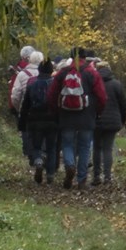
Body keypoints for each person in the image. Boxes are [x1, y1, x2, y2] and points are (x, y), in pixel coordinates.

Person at [47, 46, 108, 190]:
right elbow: (102, 97)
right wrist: (97, 112)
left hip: (66, 116)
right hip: (87, 116)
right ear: (84, 57)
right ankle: (81, 180)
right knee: (85, 147)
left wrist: (56, 112)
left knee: (67, 144)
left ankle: (69, 165)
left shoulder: (62, 73)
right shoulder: (91, 73)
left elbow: (51, 95)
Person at [19, 55, 60, 185]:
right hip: (52, 120)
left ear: (40, 70)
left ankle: (38, 161)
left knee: (36, 145)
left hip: (34, 120)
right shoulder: (56, 85)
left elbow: (25, 105)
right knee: (51, 148)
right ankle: (50, 175)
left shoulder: (32, 84)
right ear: (51, 70)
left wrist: (22, 122)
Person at [91, 61, 126, 186]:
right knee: (108, 149)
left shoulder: (93, 84)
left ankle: (96, 176)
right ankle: (107, 177)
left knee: (97, 148)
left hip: (96, 120)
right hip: (113, 121)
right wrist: (122, 120)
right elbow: (124, 105)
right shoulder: (117, 85)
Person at [9, 47, 42, 167]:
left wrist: (19, 108)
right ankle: (40, 154)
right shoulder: (45, 73)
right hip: (43, 109)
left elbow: (15, 94)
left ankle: (32, 156)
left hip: (26, 109)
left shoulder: (22, 74)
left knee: (27, 132)